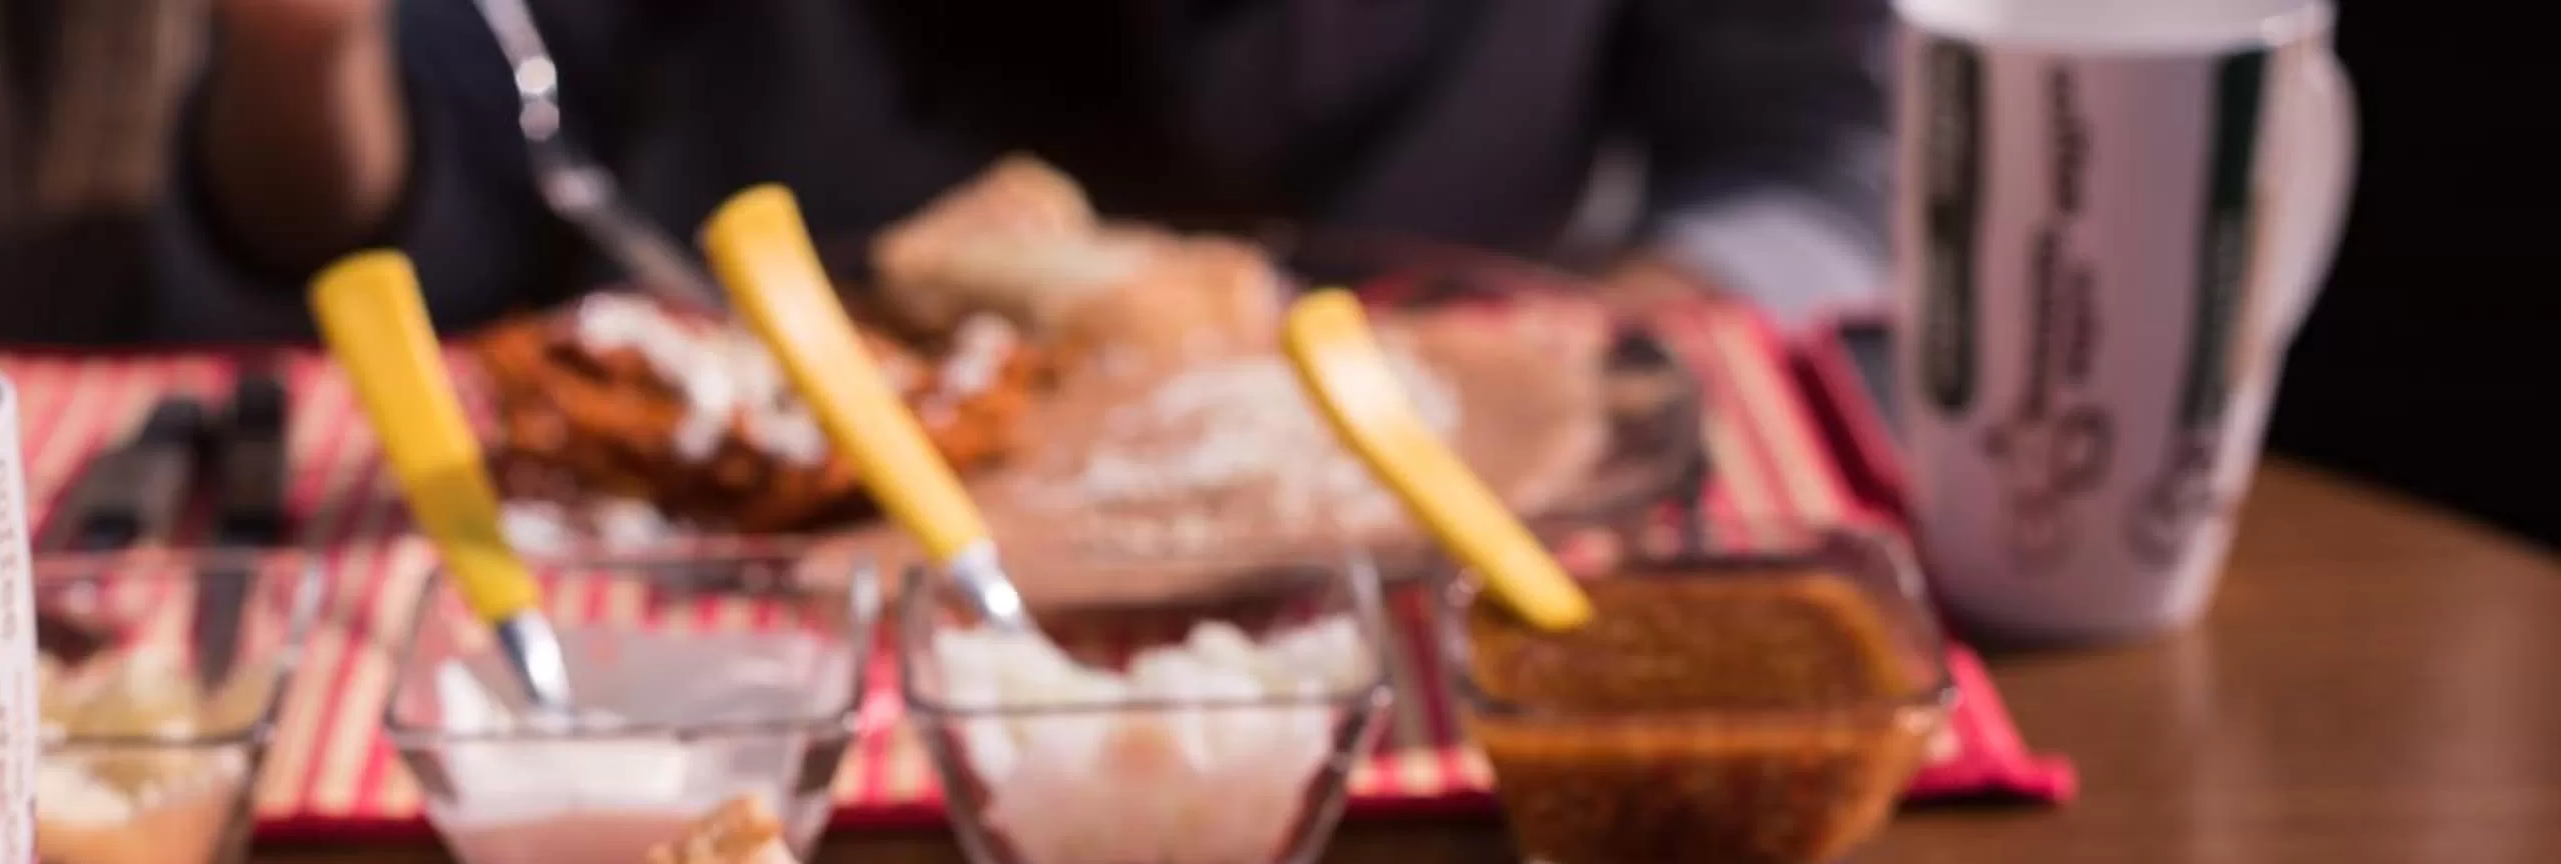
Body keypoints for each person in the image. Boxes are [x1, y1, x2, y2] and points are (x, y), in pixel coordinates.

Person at [155, 0, 1888, 339]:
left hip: (1417, 582)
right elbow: (393, 255)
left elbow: (1811, 163)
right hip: (778, 593)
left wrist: (1517, 368)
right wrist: (302, 47)